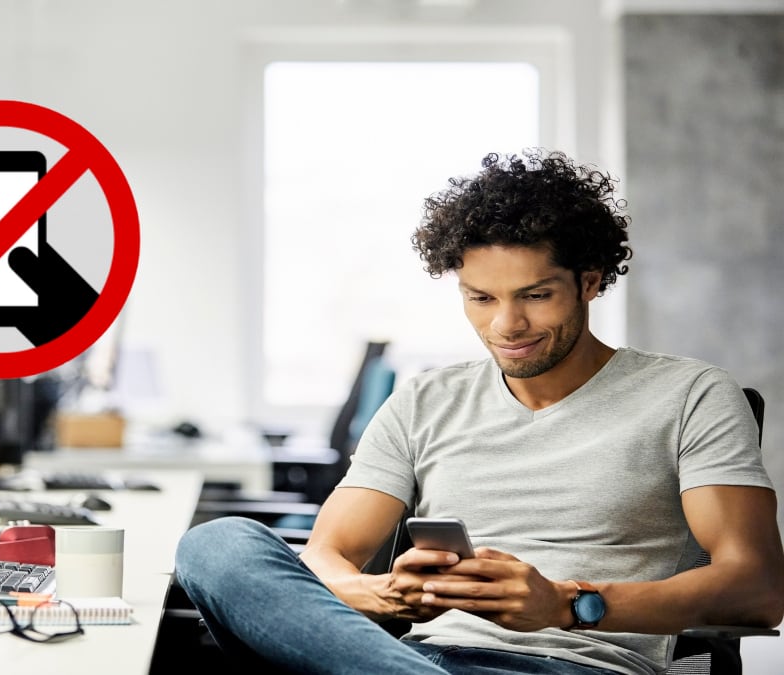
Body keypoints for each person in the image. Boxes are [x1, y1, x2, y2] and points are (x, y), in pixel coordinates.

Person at [173, 149, 784, 675]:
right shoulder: (424, 401)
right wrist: (388, 595)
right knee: (217, 545)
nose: (506, 325)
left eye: (535, 296)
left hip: (571, 665)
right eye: (481, 298)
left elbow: (758, 588)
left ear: (590, 282)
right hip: (417, 659)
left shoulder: (692, 395)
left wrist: (567, 604)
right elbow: (325, 558)